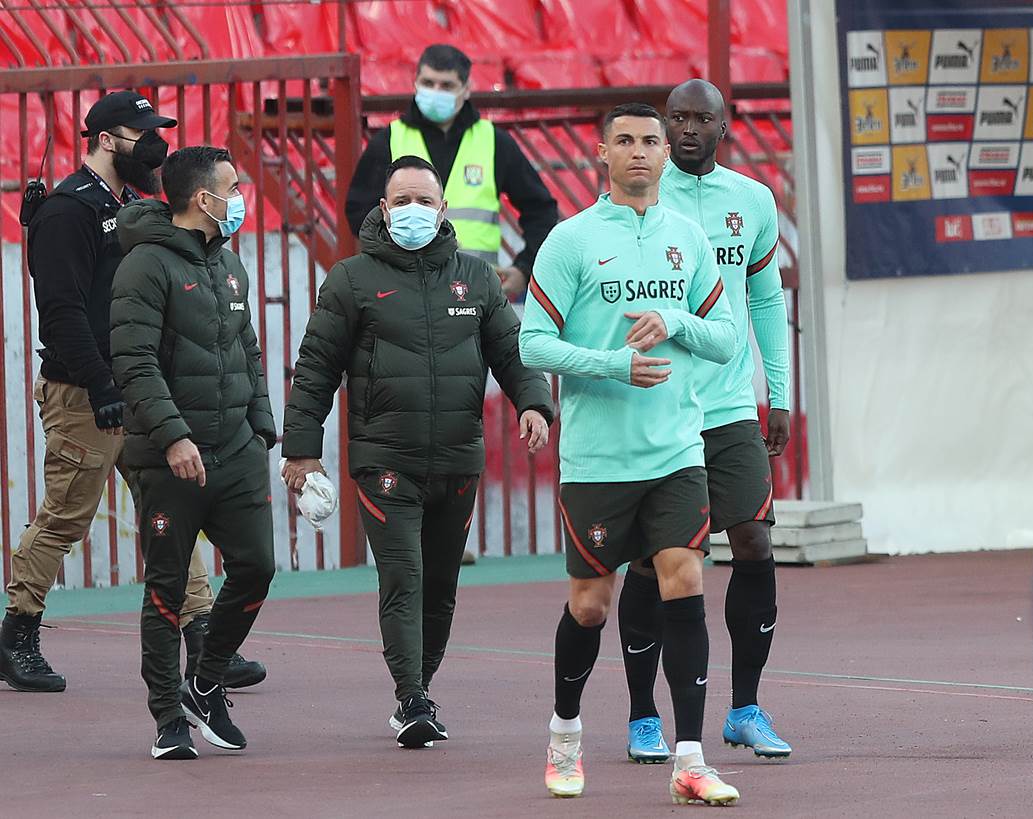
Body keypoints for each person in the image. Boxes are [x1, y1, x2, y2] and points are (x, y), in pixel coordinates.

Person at [283, 155, 554, 749]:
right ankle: (410, 697)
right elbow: (315, 370)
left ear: (442, 209)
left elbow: (513, 353)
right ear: (383, 209)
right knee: (403, 577)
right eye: (401, 201)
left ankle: (418, 690)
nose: (412, 211)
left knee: (440, 586)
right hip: (385, 460)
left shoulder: (478, 279)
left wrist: (533, 403)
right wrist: (302, 453)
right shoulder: (351, 280)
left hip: (457, 460)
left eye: (423, 201)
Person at [0, 91, 264, 695]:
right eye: (141, 133)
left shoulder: (133, 205)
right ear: (105, 139)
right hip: (84, 393)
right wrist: (99, 383)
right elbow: (61, 311)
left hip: (138, 392)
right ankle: (18, 633)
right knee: (67, 518)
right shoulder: (69, 210)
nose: (156, 146)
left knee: (173, 510)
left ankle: (201, 638)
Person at [520, 103, 740, 805]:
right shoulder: (571, 240)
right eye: (627, 141)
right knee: (590, 606)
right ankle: (564, 734)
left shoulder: (688, 237)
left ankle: (690, 758)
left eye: (651, 141)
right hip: (598, 460)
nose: (642, 152)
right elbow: (532, 344)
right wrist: (613, 363)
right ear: (602, 154)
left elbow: (726, 337)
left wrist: (676, 319)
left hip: (677, 449)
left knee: (684, 578)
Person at [617, 79, 792, 765]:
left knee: (752, 537)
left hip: (725, 409)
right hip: (656, 404)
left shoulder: (752, 201)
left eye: (702, 119)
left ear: (727, 123)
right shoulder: (634, 200)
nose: (688, 130)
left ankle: (745, 706)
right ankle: (641, 716)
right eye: (676, 119)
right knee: (657, 559)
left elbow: (767, 302)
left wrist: (774, 391)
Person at [110, 146, 277, 760]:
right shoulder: (144, 266)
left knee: (257, 566)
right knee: (168, 588)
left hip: (235, 451)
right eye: (232, 188)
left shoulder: (231, 266)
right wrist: (174, 436)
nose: (239, 199)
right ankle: (167, 719)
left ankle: (205, 682)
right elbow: (133, 362)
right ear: (202, 199)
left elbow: (247, 352)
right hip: (168, 457)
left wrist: (261, 428)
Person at [346, 44, 558, 299]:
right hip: (405, 291)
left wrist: (524, 269)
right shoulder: (389, 140)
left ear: (466, 89)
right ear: (415, 83)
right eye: (428, 83)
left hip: (476, 293)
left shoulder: (494, 143)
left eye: (446, 86)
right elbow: (360, 216)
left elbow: (541, 210)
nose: (435, 93)